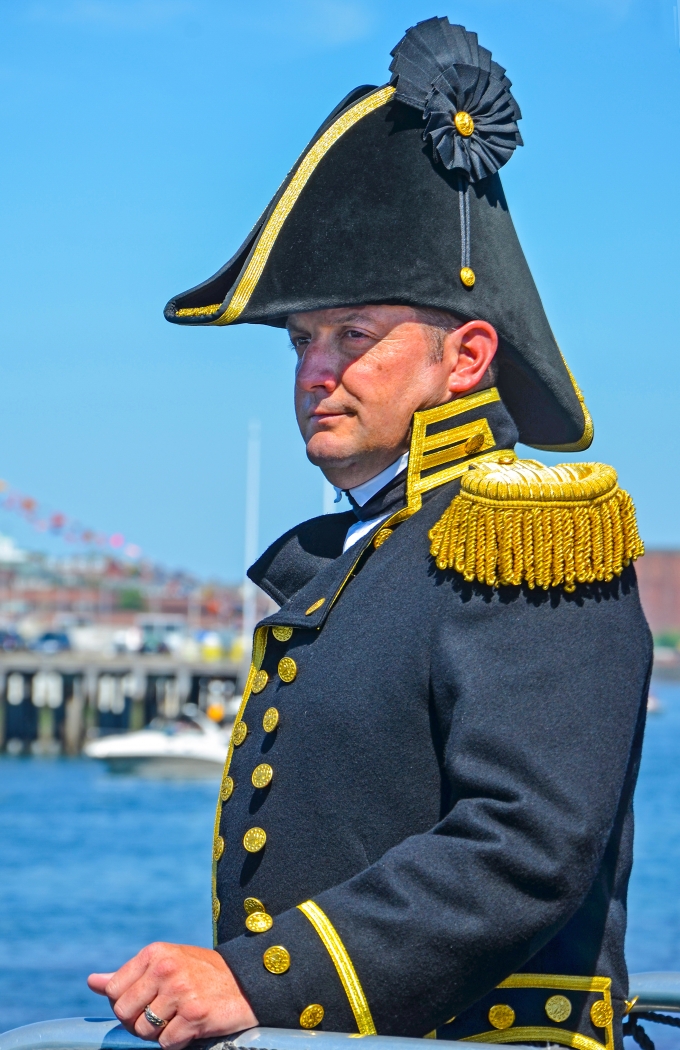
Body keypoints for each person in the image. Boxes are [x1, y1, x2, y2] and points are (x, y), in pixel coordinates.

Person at [89, 17, 652, 1050]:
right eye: (303, 341)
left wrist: (257, 982)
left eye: (355, 336)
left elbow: (521, 844)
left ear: (467, 355)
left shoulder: (522, 531)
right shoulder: (373, 552)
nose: (314, 371)